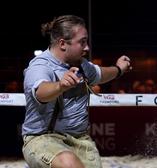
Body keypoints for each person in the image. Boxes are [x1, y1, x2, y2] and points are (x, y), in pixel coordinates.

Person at [22, 15, 131, 168]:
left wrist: (119, 69)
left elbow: (100, 74)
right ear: (62, 43)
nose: (87, 47)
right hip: (43, 139)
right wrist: (60, 85)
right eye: (82, 42)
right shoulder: (40, 66)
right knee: (69, 163)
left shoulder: (81, 65)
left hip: (81, 141)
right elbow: (40, 92)